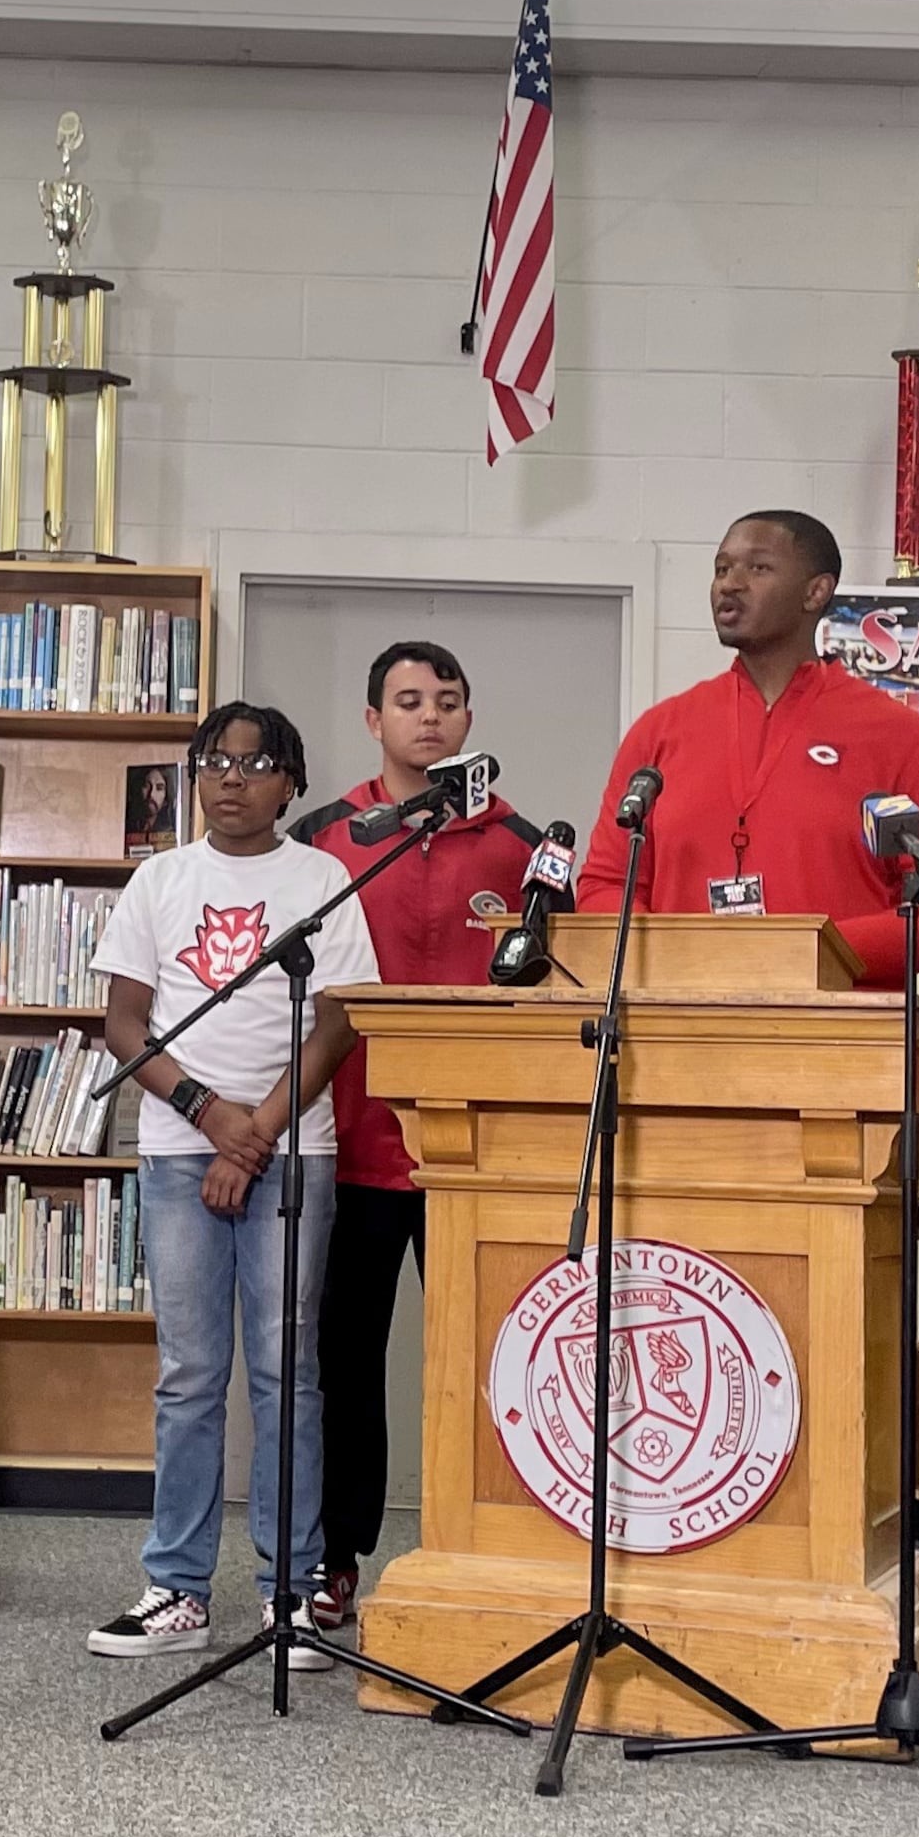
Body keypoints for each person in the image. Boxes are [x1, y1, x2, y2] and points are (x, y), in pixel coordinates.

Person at [83, 702, 381, 1664]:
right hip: (179, 1152)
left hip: (296, 1148)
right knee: (189, 1375)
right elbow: (125, 1024)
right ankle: (176, 1587)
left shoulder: (325, 878)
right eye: (216, 761)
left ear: (291, 782)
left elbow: (337, 1024)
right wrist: (212, 1118)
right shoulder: (160, 879)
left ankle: (289, 1594)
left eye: (256, 764)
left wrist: (253, 1134)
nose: (233, 779)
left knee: (287, 1372)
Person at [293, 637, 543, 1632]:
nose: (428, 716)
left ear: (468, 722)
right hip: (349, 1143)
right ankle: (334, 1560)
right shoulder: (326, 836)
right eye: (406, 700)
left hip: (476, 1157)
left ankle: (484, 1553)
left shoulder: (520, 844)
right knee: (344, 1363)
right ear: (373, 722)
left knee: (490, 1363)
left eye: (446, 700)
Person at [571, 511, 919, 986]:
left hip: (840, 1041)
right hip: (675, 1033)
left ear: (816, 591)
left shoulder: (899, 737)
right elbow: (605, 886)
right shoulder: (659, 731)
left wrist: (808, 956)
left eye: (757, 568)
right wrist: (676, 959)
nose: (730, 584)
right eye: (722, 568)